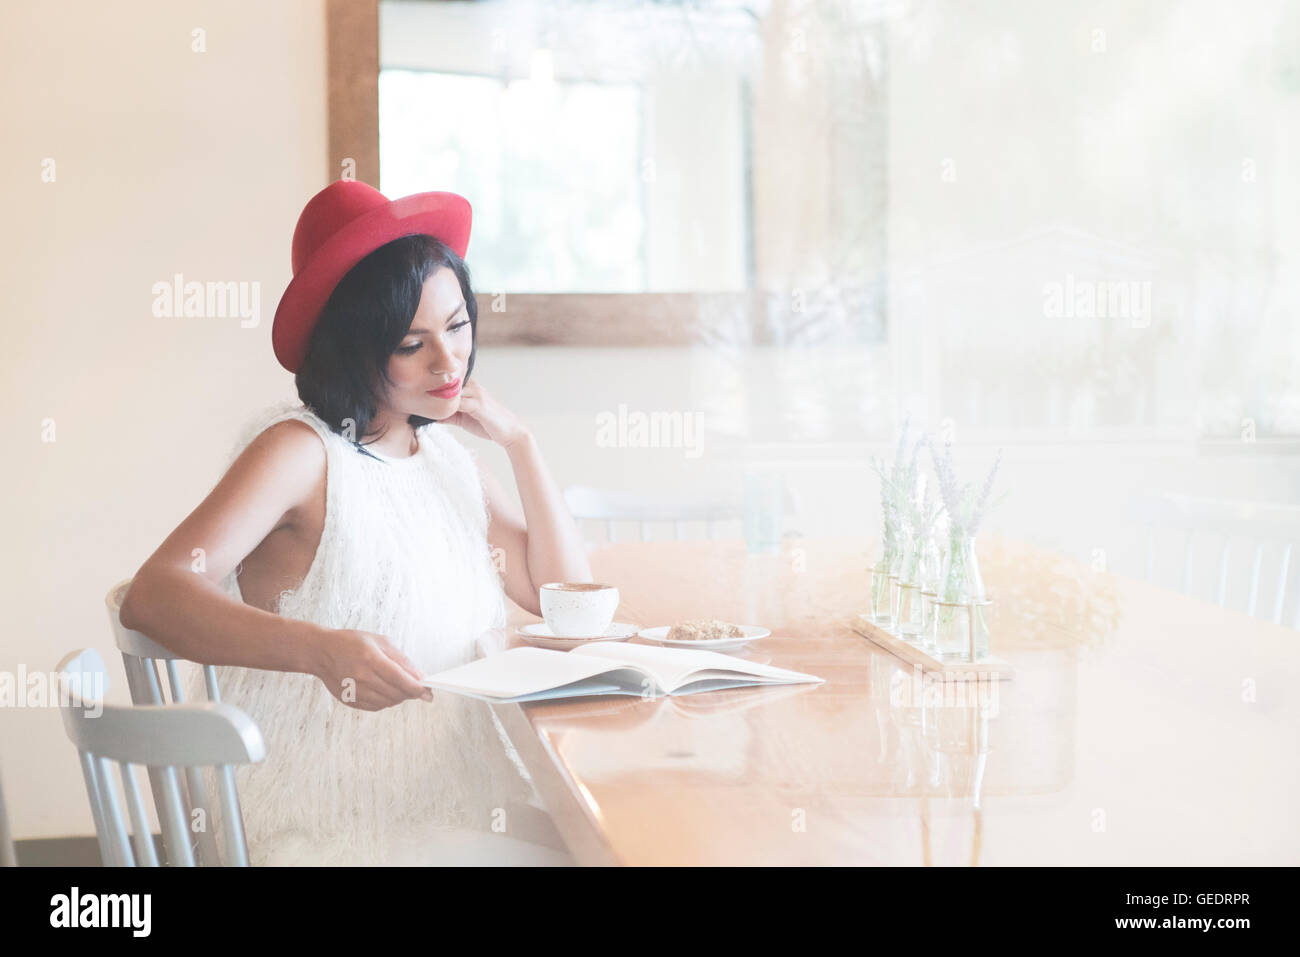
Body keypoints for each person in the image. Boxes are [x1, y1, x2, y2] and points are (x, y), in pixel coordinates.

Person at [118, 181, 592, 865]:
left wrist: (521, 443)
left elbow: (568, 601)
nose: (449, 361)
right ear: (356, 348)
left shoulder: (444, 459)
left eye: (457, 326)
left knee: (608, 844)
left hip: (448, 804)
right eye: (412, 342)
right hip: (322, 823)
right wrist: (318, 649)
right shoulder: (300, 452)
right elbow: (154, 592)